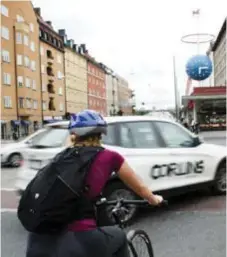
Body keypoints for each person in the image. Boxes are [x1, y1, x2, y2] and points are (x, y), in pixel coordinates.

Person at [26, 109, 163, 257]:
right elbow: (140, 187)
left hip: (37, 241)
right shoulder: (110, 157)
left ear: (74, 135)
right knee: (119, 237)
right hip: (77, 239)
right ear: (100, 134)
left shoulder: (60, 157)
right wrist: (153, 199)